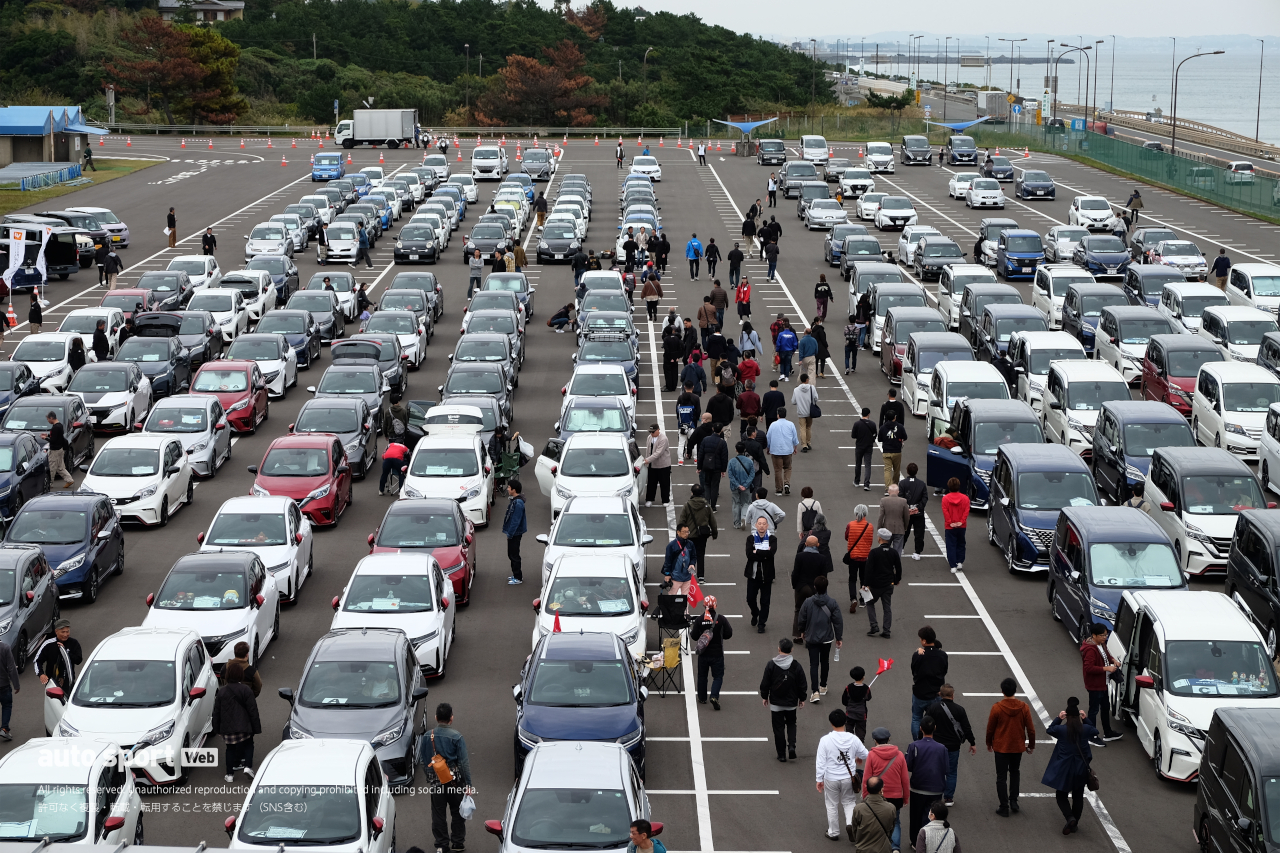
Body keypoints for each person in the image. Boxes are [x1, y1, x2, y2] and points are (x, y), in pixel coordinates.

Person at [422, 703, 472, 853]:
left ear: (436, 717)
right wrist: (468, 783)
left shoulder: (426, 736)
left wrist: (429, 777)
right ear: (451, 718)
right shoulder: (457, 737)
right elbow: (463, 763)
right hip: (455, 782)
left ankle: (442, 845)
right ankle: (457, 843)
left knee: (438, 813)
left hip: (437, 782)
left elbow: (424, 761)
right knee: (457, 812)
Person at [1042, 698, 1097, 835]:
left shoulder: (1061, 730)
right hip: (1081, 769)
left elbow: (1050, 730)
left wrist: (1058, 718)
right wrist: (1086, 719)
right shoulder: (1085, 729)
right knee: (1078, 796)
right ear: (1079, 716)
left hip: (1064, 768)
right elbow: (1095, 731)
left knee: (1061, 795)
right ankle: (1074, 823)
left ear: (1066, 715)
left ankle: (1069, 817)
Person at [817, 709, 869, 842]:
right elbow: (866, 754)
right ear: (845, 722)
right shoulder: (853, 738)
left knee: (832, 804)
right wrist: (857, 757)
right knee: (849, 802)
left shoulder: (825, 740)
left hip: (831, 778)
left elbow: (821, 761)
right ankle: (850, 824)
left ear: (831, 723)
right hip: (849, 777)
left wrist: (819, 779)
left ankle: (833, 832)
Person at [987, 678, 1036, 817]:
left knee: (1001, 776)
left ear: (1002, 691)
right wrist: (1031, 745)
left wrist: (988, 743)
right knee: (1015, 772)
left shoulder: (997, 707)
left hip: (1001, 746)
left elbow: (990, 729)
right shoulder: (1024, 707)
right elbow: (1031, 729)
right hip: (1017, 746)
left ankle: (1004, 806)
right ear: (1015, 690)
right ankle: (1013, 800)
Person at [925, 685, 975, 807]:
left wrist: (921, 740)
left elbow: (925, 724)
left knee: (936, 771)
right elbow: (966, 728)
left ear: (940, 694)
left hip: (936, 746)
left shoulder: (933, 708)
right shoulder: (960, 710)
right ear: (953, 695)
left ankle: (936, 796)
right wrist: (972, 742)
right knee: (951, 772)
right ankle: (948, 798)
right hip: (953, 746)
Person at [862, 728, 910, 852]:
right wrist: (905, 797)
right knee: (896, 822)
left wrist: (865, 796)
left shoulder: (872, 755)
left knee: (876, 822)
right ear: (889, 739)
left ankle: (878, 846)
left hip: (877, 796)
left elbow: (866, 778)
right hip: (896, 797)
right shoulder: (899, 755)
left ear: (875, 741)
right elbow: (905, 779)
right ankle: (895, 848)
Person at [760, 637, 808, 761]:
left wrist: (764, 696)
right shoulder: (796, 665)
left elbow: (765, 683)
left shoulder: (771, 664)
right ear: (792, 650)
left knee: (778, 728)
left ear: (779, 649)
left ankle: (781, 754)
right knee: (791, 723)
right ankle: (791, 746)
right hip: (791, 702)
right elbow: (802, 683)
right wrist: (802, 698)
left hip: (776, 702)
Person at [213, 660, 261, 782]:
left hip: (227, 728)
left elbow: (216, 712)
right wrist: (256, 728)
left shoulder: (222, 691)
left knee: (230, 749)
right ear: (241, 675)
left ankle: (229, 775)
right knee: (249, 744)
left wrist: (217, 728)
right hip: (244, 726)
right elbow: (252, 710)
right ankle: (248, 767)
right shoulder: (246, 690)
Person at [798, 575, 843, 702]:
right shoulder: (832, 602)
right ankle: (823, 686)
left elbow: (801, 618)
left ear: (815, 587)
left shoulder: (808, 602)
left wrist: (802, 631)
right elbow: (838, 621)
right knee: (825, 662)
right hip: (827, 637)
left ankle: (815, 691)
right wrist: (839, 637)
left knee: (814, 664)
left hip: (812, 637)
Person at [905, 718, 949, 841]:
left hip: (917, 788)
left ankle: (916, 842)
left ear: (921, 729)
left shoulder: (914, 746)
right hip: (936, 789)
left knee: (916, 817)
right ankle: (931, 840)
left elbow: (908, 766)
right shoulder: (942, 748)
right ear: (935, 728)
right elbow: (946, 769)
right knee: (933, 817)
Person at [1081, 623, 1124, 746]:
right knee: (1093, 710)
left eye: (1106, 635)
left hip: (1104, 683)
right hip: (1094, 685)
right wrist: (1106, 668)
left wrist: (1114, 660)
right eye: (1102, 635)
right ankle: (1091, 735)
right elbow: (1089, 668)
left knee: (1105, 708)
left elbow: (1107, 655)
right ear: (1094, 635)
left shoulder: (1101, 644)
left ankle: (1108, 733)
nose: (1105, 637)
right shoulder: (1090, 650)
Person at [858, 529, 901, 638]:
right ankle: (886, 630)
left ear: (880, 538)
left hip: (875, 584)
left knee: (870, 603)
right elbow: (898, 568)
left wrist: (865, 583)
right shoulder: (894, 552)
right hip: (888, 584)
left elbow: (868, 569)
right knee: (887, 607)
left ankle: (874, 625)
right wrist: (896, 580)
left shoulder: (874, 552)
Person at [692, 596, 733, 708]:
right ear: (715, 605)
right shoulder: (721, 618)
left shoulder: (700, 619)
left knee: (702, 676)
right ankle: (714, 696)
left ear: (704, 605)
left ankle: (702, 698)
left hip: (703, 654)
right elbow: (729, 634)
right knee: (718, 676)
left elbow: (694, 636)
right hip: (717, 654)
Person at [911, 626, 948, 742]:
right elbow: (944, 671)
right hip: (936, 693)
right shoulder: (942, 655)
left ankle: (917, 741)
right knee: (934, 719)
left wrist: (917, 654)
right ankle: (933, 741)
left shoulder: (918, 655)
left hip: (920, 693)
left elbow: (914, 671)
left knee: (917, 718)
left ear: (924, 641)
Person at [745, 516, 777, 632]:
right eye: (760, 523)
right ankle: (755, 613)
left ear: (767, 526)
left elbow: (771, 554)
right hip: (753, 575)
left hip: (766, 576)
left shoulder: (772, 539)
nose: (762, 526)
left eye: (764, 523)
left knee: (765, 601)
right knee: (750, 599)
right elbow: (749, 554)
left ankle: (762, 623)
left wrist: (757, 551)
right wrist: (764, 553)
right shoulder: (750, 539)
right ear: (756, 525)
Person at [678, 484, 717, 581]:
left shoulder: (687, 505)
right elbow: (712, 520)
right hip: (702, 534)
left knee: (688, 554)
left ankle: (689, 574)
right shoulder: (706, 505)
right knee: (700, 554)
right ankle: (701, 576)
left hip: (689, 535)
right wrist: (714, 533)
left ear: (692, 492)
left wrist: (679, 534)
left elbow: (681, 521)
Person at [791, 535, 827, 641]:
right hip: (815, 588)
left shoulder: (800, 556)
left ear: (805, 544)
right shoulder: (822, 558)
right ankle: (811, 634)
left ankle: (798, 634)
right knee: (814, 611)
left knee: (798, 609)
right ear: (818, 545)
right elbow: (823, 576)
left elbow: (795, 573)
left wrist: (795, 586)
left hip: (801, 587)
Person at [851, 775, 897, 853]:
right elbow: (891, 828)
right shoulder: (891, 808)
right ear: (881, 790)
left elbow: (854, 830)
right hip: (883, 849)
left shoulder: (858, 808)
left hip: (863, 849)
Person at [36, 618, 82, 693]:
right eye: (63, 632)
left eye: (67, 631)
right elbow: (37, 660)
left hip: (69, 682)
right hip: (52, 683)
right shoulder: (48, 644)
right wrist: (41, 674)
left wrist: (66, 652)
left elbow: (78, 660)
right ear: (56, 631)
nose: (65, 634)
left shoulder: (74, 643)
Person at [844, 504, 873, 611]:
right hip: (865, 556)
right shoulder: (870, 526)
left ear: (855, 513)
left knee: (852, 579)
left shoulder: (850, 524)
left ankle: (853, 599)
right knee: (863, 578)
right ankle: (863, 600)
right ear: (866, 513)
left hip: (853, 556)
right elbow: (870, 541)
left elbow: (846, 537)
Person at [767, 405, 800, 496]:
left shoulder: (773, 424)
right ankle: (787, 483)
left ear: (778, 415)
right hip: (788, 450)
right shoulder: (791, 424)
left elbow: (768, 438)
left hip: (776, 450)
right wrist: (795, 448)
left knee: (778, 470)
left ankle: (779, 489)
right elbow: (795, 438)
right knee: (788, 468)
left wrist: (768, 448)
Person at [899, 463, 928, 561]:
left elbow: (901, 497)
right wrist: (917, 508)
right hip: (918, 513)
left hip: (906, 513)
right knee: (919, 533)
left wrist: (907, 508)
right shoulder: (921, 484)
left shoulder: (902, 483)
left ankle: (901, 548)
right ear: (917, 471)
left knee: (904, 531)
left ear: (907, 471)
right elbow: (925, 498)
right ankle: (917, 552)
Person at [697, 425, 729, 511]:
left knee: (707, 485)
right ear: (721, 430)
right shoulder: (722, 442)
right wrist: (723, 470)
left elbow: (701, 454)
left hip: (706, 466)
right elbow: (724, 457)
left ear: (713, 429)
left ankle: (706, 504)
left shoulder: (705, 440)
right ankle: (713, 506)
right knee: (715, 487)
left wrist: (699, 467)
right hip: (717, 468)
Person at [941, 478, 970, 573]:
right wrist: (961, 521)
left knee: (951, 545)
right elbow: (966, 511)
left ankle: (953, 565)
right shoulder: (965, 498)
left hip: (950, 526)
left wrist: (950, 522)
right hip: (962, 526)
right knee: (961, 543)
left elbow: (945, 511)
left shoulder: (945, 498)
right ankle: (960, 562)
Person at [42, 411, 76, 489]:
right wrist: (47, 435)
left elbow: (53, 440)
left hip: (55, 450)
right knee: (60, 467)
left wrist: (45, 438)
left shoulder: (55, 427)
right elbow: (57, 436)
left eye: (48, 419)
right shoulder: (60, 425)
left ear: (51, 418)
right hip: (60, 449)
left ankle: (50, 483)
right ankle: (69, 480)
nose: (48, 421)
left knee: (52, 467)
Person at [503, 479, 527, 586]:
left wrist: (510, 533)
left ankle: (518, 577)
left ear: (514, 489)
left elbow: (515, 520)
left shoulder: (518, 503)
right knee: (512, 554)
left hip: (515, 533)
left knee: (514, 555)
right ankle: (515, 575)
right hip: (514, 533)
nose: (507, 489)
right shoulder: (515, 500)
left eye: (509, 487)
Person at [662, 523, 696, 596]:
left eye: (687, 532)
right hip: (675, 577)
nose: (686, 534)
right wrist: (667, 574)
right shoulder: (671, 546)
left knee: (685, 599)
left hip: (687, 577)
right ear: (678, 532)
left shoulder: (690, 544)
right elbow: (668, 561)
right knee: (672, 598)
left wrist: (692, 564)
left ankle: (685, 608)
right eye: (684, 532)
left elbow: (693, 556)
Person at [840, 665, 873, 742]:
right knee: (861, 729)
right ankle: (859, 743)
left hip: (850, 712)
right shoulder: (866, 688)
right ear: (863, 677)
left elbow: (844, 700)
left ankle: (849, 742)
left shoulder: (848, 687)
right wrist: (868, 691)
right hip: (861, 713)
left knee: (849, 727)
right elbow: (868, 698)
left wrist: (848, 705)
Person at [728, 443, 757, 528]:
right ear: (744, 450)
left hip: (734, 486)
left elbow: (730, 475)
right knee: (746, 503)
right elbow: (752, 474)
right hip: (746, 487)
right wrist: (745, 485)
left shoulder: (732, 461)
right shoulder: (749, 461)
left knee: (736, 503)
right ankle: (743, 518)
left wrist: (738, 485)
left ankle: (736, 523)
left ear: (736, 450)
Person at [878, 411, 907, 493]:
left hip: (886, 451)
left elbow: (879, 439)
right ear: (895, 417)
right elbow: (905, 437)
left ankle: (888, 488)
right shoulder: (900, 426)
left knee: (887, 470)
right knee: (896, 470)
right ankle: (895, 487)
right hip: (897, 451)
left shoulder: (883, 427)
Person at [644, 424, 672, 507]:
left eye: (653, 432)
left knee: (664, 483)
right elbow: (648, 450)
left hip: (663, 465)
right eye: (650, 432)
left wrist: (648, 460)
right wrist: (647, 459)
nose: (651, 433)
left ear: (658, 430)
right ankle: (649, 499)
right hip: (652, 465)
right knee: (651, 483)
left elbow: (658, 453)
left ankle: (665, 500)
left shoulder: (663, 439)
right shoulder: (649, 437)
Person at [877, 484, 910, 554]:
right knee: (897, 551)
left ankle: (887, 564)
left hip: (887, 529)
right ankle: (896, 564)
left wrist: (879, 528)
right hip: (899, 529)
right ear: (898, 492)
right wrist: (905, 527)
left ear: (889, 491)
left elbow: (881, 516)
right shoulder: (903, 501)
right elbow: (907, 516)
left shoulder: (883, 500)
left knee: (885, 551)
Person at [851, 408, 877, 492]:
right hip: (869, 447)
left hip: (859, 446)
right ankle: (866, 484)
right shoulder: (872, 424)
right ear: (868, 414)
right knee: (868, 465)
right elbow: (875, 434)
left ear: (862, 414)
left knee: (858, 463)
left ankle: (857, 481)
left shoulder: (857, 424)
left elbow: (853, 436)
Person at [791, 373, 819, 451]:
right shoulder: (812, 388)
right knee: (808, 427)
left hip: (801, 412)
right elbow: (816, 398)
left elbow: (793, 401)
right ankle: (808, 442)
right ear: (807, 380)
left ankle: (804, 445)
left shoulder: (796, 390)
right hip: (810, 412)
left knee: (802, 428)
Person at [0, 637, 17, 740]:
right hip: (4, 685)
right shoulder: (5, 648)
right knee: (7, 706)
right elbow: (11, 667)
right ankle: (4, 729)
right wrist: (16, 685)